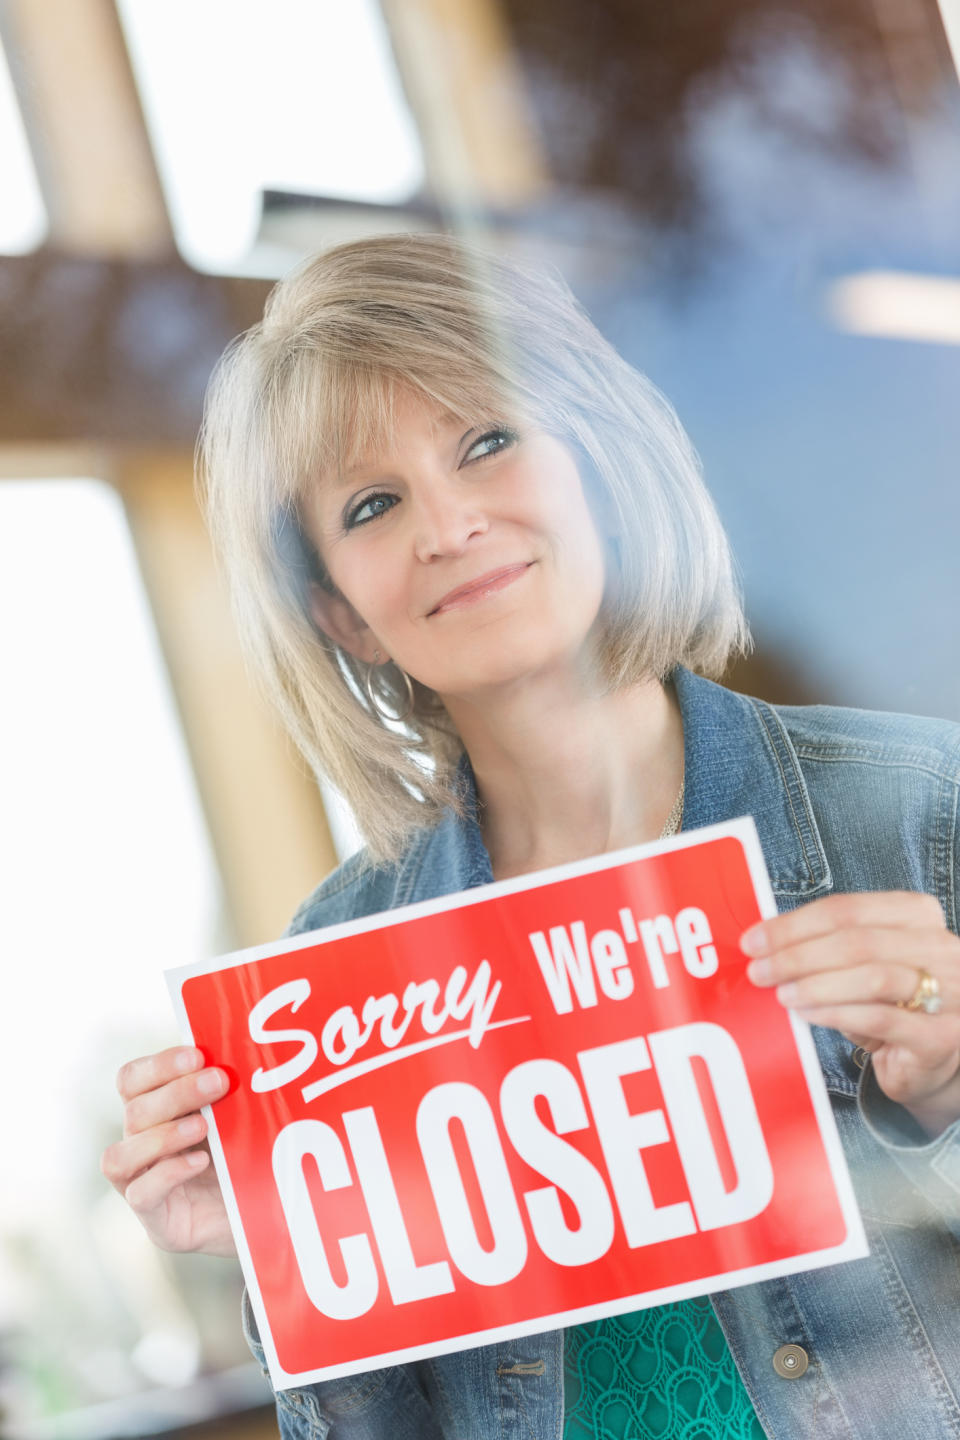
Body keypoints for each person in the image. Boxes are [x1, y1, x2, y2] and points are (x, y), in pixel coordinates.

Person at [102, 234, 960, 1440]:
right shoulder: (333, 973)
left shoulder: (924, 812)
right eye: (372, 503)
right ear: (341, 612)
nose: (448, 525)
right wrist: (279, 1257)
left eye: (487, 441)